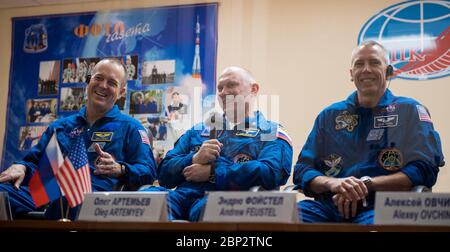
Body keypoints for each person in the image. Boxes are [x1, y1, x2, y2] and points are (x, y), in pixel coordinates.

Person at [293, 40, 444, 224]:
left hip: (382, 207)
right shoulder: (329, 115)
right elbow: (302, 170)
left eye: (374, 62)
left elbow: (424, 169)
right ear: (351, 74)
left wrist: (367, 184)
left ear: (388, 71)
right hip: (329, 206)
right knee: (283, 218)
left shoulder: (410, 111)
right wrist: (334, 183)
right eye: (359, 64)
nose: (366, 69)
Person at [0, 58, 157, 220]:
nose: (103, 85)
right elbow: (34, 162)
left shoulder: (131, 127)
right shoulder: (60, 126)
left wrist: (121, 169)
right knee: (2, 192)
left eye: (112, 82)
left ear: (121, 92)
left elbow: (148, 172)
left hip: (93, 201)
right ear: (88, 81)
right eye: (98, 78)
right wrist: (21, 167)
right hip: (45, 193)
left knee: (69, 199)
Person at [141, 66, 293, 221]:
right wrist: (193, 159)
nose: (223, 92)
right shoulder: (199, 130)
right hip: (181, 198)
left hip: (225, 202)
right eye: (220, 88)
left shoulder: (270, 131)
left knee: (213, 210)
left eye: (231, 85)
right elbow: (165, 175)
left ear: (253, 89)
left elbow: (272, 173)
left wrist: (214, 172)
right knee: (143, 200)